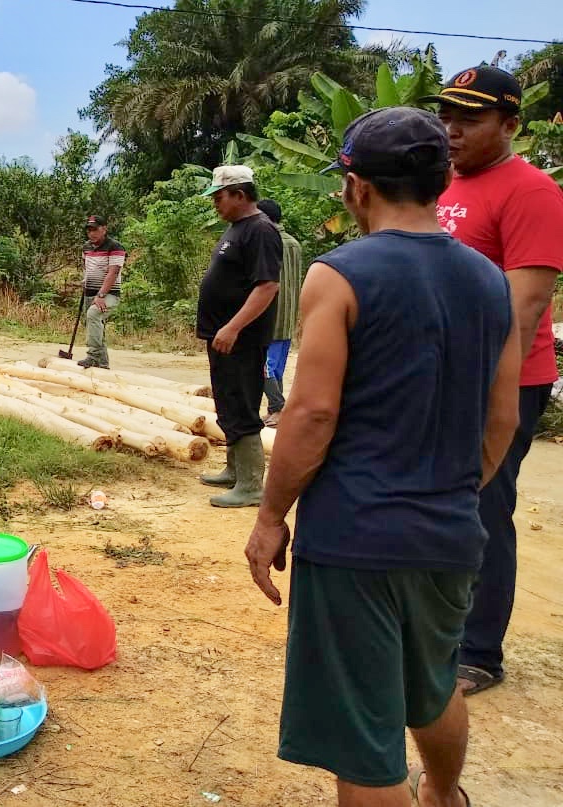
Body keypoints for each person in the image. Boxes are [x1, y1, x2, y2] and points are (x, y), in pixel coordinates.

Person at [245, 107, 521, 807]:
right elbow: (503, 417)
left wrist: (272, 514)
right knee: (432, 684)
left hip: (356, 541)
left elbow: (311, 413)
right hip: (452, 534)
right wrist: (452, 493)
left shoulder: (340, 275)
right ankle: (445, 796)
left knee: (364, 745)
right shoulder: (492, 282)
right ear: (440, 180)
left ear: (356, 186)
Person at [423, 66, 563, 698]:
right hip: (437, 373)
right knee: (435, 497)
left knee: (484, 504)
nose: (452, 130)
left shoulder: (531, 193)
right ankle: (438, 626)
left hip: (501, 378)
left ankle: (479, 651)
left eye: (470, 119)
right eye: (447, 115)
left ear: (511, 125)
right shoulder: (439, 183)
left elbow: (525, 304)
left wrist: (492, 391)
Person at [196, 165, 281, 507]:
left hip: (241, 339)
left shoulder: (260, 230)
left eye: (219, 197)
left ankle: (251, 485)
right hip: (223, 337)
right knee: (228, 400)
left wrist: (233, 326)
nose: (215, 204)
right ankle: (234, 470)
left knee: (243, 403)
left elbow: (267, 286)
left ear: (240, 195)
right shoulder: (237, 228)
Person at [256, 199, 304, 427]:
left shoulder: (267, 242)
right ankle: (275, 410)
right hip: (289, 314)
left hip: (270, 314)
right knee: (276, 366)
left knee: (263, 366)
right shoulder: (294, 243)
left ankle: (278, 407)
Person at [78, 214, 127, 370]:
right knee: (95, 325)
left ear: (104, 229)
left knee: (93, 315)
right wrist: (84, 282)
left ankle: (93, 356)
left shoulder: (115, 247)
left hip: (109, 293)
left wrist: (101, 295)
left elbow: (113, 273)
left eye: (95, 229)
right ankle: (103, 363)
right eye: (89, 230)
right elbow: (86, 267)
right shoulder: (86, 247)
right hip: (90, 292)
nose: (91, 233)